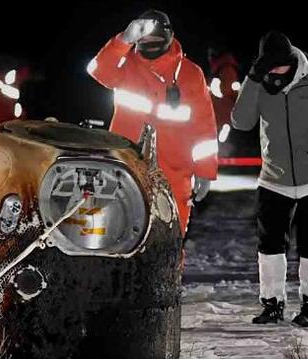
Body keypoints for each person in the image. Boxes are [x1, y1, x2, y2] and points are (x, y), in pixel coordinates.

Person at [231, 31, 308, 327]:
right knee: (270, 243)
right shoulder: (259, 85)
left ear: (291, 61)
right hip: (274, 178)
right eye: (269, 69)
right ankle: (272, 304)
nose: (275, 74)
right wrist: (252, 79)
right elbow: (241, 121)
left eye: (280, 68)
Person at [87, 9, 218, 236]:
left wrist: (205, 171)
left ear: (169, 37)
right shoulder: (125, 64)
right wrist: (122, 40)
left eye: (155, 39)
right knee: (119, 232)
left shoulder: (190, 73)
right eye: (144, 38)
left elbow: (204, 127)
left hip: (175, 170)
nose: (150, 43)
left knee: (171, 234)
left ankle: (170, 271)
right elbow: (97, 71)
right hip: (125, 164)